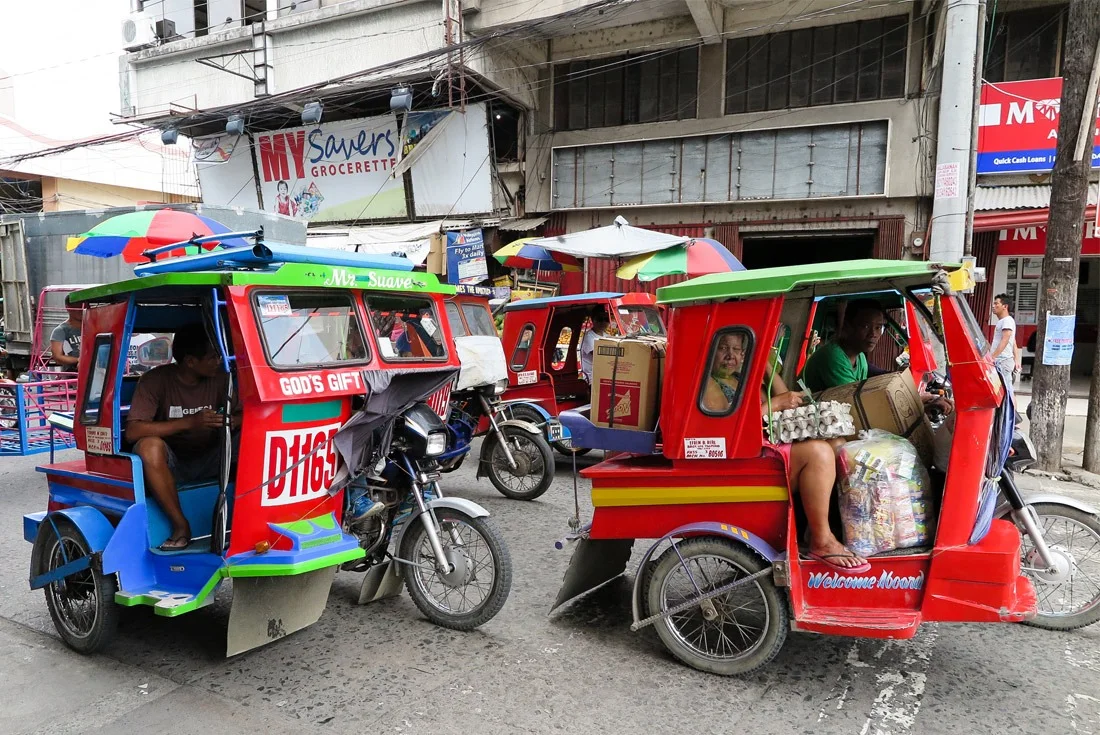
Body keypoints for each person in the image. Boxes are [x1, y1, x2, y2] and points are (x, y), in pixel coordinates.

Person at [703, 331, 867, 571]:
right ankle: (822, 540)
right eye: (723, 349)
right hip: (745, 459)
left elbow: (784, 396)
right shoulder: (710, 384)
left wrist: (765, 364)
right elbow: (727, 426)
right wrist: (776, 404)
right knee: (819, 452)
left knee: (837, 444)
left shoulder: (739, 377)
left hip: (763, 448)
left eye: (738, 350)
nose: (731, 356)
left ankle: (817, 526)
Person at [125, 324, 233, 551]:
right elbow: (133, 431)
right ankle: (181, 525)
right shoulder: (155, 381)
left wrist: (230, 421)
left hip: (214, 457)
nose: (218, 362)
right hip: (172, 464)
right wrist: (190, 422)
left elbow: (246, 414)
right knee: (148, 447)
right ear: (191, 361)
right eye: (212, 357)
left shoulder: (222, 378)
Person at [801, 299, 952, 416]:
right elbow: (859, 404)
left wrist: (919, 399)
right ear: (847, 327)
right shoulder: (833, 357)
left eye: (878, 327)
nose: (873, 334)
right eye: (865, 326)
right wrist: (916, 403)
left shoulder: (859, 357)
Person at [989, 293, 1019, 383]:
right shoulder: (1004, 321)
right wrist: (1016, 360)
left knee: (1005, 392)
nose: (993, 306)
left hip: (1002, 362)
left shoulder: (1007, 321)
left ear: (1005, 306)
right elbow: (1013, 341)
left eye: (996, 304)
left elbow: (1005, 340)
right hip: (1001, 361)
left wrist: (992, 357)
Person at [580, 309, 610, 383]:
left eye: (606, 320)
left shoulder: (607, 336)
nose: (603, 322)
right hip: (592, 379)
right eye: (600, 319)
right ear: (593, 320)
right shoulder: (588, 337)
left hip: (604, 376)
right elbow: (598, 356)